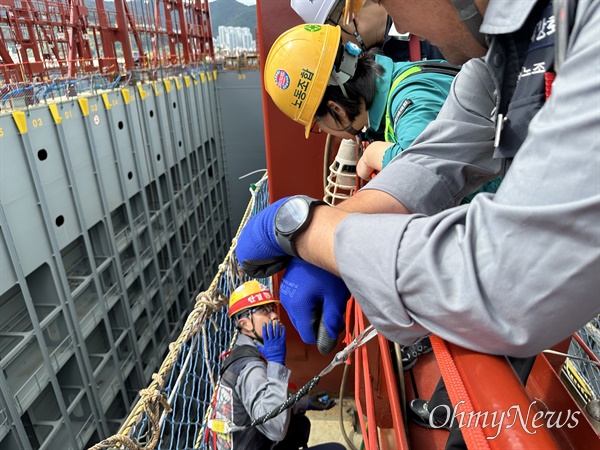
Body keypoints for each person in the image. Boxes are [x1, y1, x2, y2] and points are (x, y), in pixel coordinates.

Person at [208, 280, 344, 450]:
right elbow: (275, 428)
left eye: (272, 308)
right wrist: (276, 363)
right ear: (245, 323)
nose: (274, 315)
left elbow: (264, 404)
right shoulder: (251, 369)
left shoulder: (243, 352)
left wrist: (305, 404)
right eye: (264, 311)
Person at [291, 0, 444, 61]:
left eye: (335, 38)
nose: (341, 48)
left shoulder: (430, 15)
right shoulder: (382, 65)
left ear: (348, 16)